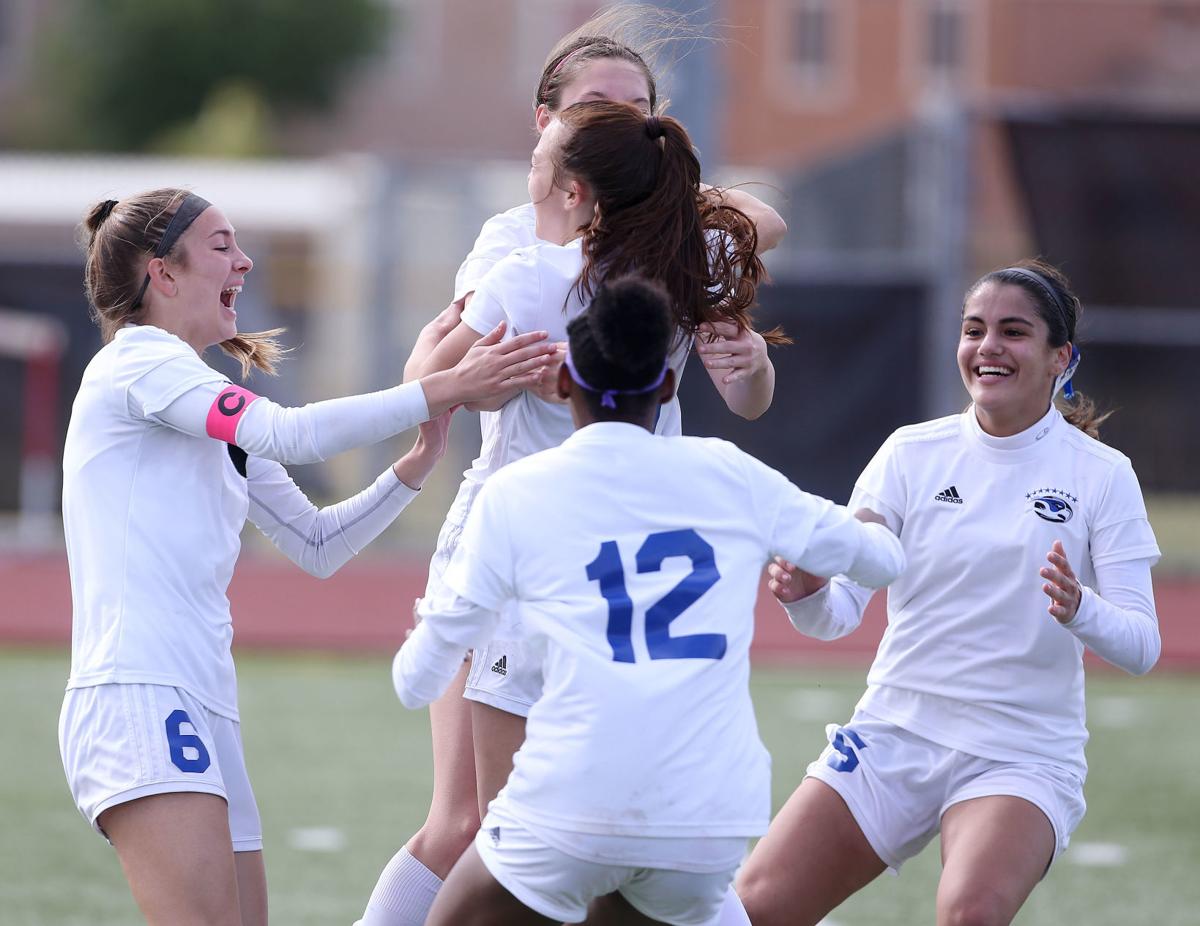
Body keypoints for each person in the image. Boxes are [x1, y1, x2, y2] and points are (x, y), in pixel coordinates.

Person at [359, 11, 787, 921]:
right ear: (546, 124)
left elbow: (765, 241)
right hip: (517, 541)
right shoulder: (517, 243)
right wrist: (466, 378)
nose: (620, 123)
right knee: (474, 824)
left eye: (638, 111)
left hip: (628, 556)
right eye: (597, 108)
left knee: (620, 827)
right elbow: (429, 378)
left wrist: (751, 367)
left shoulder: (683, 240)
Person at [58, 188, 555, 926]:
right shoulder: (138, 363)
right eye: (222, 245)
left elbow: (316, 544)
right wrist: (441, 387)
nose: (244, 261)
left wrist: (416, 464)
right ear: (162, 273)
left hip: (202, 700)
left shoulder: (195, 393)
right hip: (138, 693)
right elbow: (289, 433)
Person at [390, 275, 904, 926]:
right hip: (708, 821)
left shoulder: (517, 490)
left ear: (563, 382)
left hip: (569, 810)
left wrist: (429, 634)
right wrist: (835, 544)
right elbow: (885, 560)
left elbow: (416, 682)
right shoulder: (732, 474)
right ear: (666, 386)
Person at [734, 259, 1161, 926]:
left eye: (1013, 331)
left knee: (970, 914)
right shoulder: (911, 453)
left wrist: (1082, 609)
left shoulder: (1103, 476)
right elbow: (837, 615)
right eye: (974, 329)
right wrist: (807, 592)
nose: (988, 346)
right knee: (752, 909)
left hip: (1020, 752)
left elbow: (1142, 646)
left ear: (1061, 358)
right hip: (894, 733)